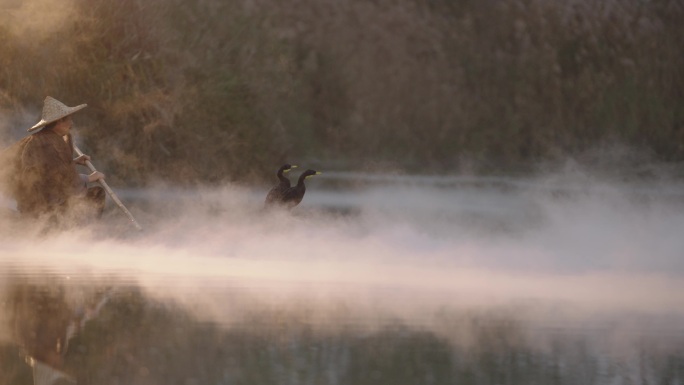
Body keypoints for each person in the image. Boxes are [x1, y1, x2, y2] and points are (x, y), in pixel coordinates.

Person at [6, 96, 105, 225]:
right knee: (97, 194)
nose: (72, 123)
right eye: (69, 119)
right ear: (59, 121)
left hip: (43, 202)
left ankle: (75, 232)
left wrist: (74, 161)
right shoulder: (48, 142)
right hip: (45, 206)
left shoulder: (44, 138)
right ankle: (78, 232)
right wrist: (89, 178)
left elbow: (48, 166)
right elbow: (59, 177)